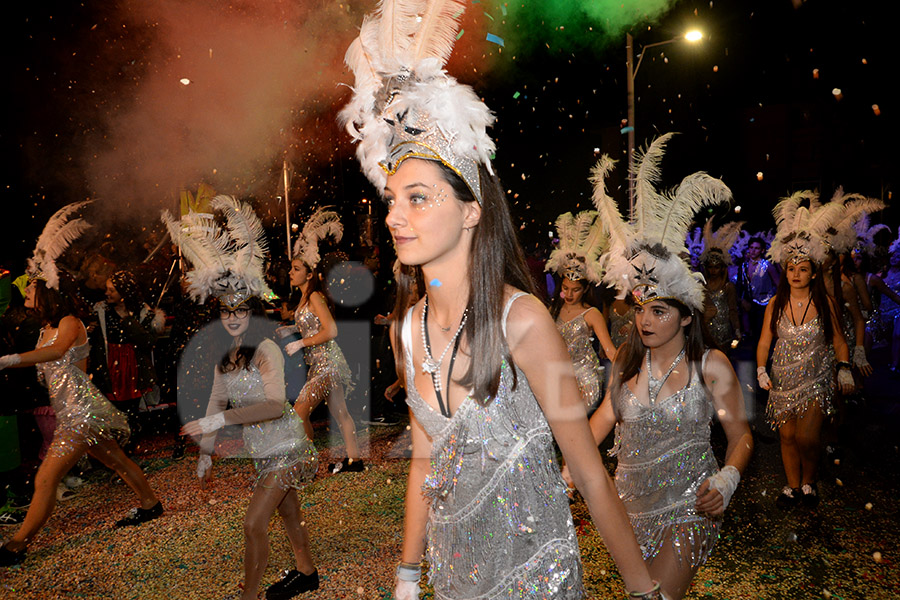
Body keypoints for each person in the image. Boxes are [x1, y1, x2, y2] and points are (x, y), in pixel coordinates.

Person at [339, 5, 661, 599]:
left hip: (535, 576)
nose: (394, 216)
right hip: (454, 573)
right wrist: (408, 578)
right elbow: (423, 462)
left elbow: (588, 472)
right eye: (391, 199)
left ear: (470, 212)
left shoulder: (522, 320)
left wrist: (644, 591)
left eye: (417, 198)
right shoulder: (408, 329)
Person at [572, 140, 752, 600]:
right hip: (626, 511)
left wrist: (726, 480)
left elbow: (740, 437)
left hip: (690, 506)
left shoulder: (712, 366)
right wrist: (563, 473)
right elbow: (591, 432)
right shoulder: (626, 369)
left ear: (687, 315)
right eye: (642, 310)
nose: (645, 320)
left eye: (660, 311)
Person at [166, 195, 320, 600]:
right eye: (226, 312)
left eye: (240, 311)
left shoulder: (266, 350)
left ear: (251, 313)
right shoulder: (226, 357)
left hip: (288, 446)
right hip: (263, 450)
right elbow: (217, 401)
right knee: (287, 510)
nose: (233, 318)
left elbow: (272, 406)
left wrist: (218, 424)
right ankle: (306, 572)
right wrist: (204, 451)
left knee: (254, 524)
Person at [0, 202, 162, 567]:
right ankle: (151, 503)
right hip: (74, 411)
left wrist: (10, 360)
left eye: (30, 292)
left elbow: (59, 354)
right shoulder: (43, 328)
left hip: (78, 416)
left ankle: (17, 544)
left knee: (45, 479)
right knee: (117, 460)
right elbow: (58, 367)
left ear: (48, 294)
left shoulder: (70, 322)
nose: (25, 296)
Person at [756, 191, 855, 509]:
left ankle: (810, 480)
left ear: (813, 272)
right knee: (786, 437)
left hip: (815, 378)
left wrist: (844, 366)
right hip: (782, 380)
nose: (796, 273)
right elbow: (764, 341)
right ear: (785, 272)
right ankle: (793, 486)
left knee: (807, 438)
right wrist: (760, 369)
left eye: (802, 268)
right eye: (790, 268)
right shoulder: (777, 302)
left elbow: (839, 339)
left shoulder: (824, 303)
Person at [281, 208, 362, 473]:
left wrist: (300, 344)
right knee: (340, 413)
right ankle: (355, 460)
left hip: (326, 364)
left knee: (297, 413)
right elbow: (311, 327)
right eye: (291, 268)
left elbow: (331, 331)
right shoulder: (304, 299)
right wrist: (290, 332)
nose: (290, 273)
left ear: (309, 273)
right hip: (320, 364)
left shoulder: (315, 297)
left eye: (295, 269)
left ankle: (308, 464)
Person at [545, 210, 617, 409]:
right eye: (566, 289)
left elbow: (610, 350)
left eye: (575, 290)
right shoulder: (552, 311)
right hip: (558, 378)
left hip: (586, 381)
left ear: (585, 289)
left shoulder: (592, 314)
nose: (569, 294)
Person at [698, 220, 743, 353]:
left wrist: (737, 330)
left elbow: (732, 310)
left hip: (725, 334)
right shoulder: (701, 286)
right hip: (706, 333)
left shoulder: (728, 287)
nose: (713, 270)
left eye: (716, 267)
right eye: (710, 267)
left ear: (722, 268)